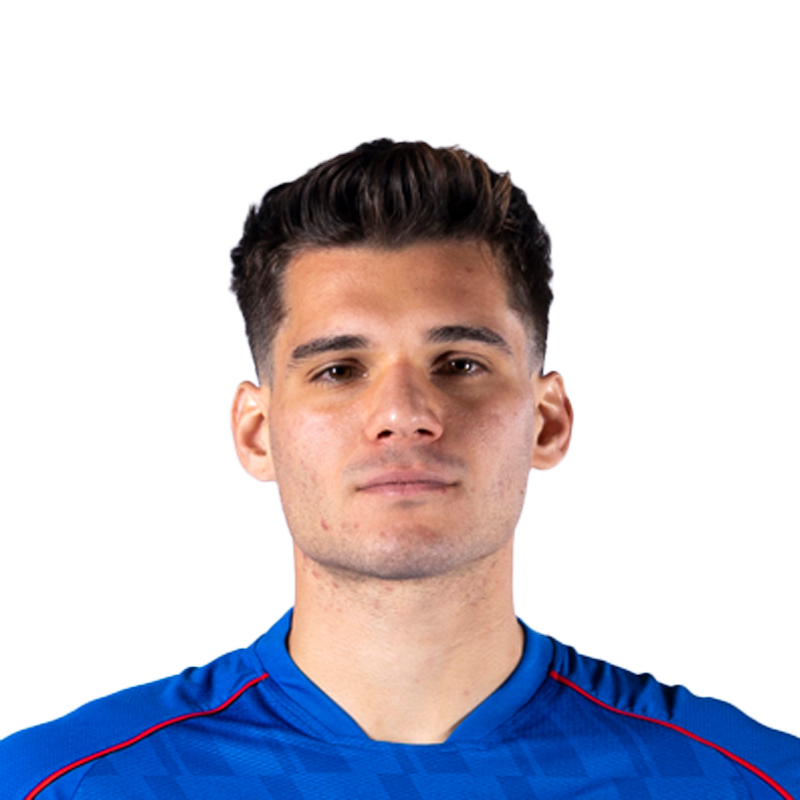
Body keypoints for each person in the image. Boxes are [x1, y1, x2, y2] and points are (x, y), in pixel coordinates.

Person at [1, 139, 797, 799]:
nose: (404, 413)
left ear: (548, 420)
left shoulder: (746, 781)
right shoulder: (58, 783)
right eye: (338, 370)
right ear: (257, 434)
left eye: (460, 363)